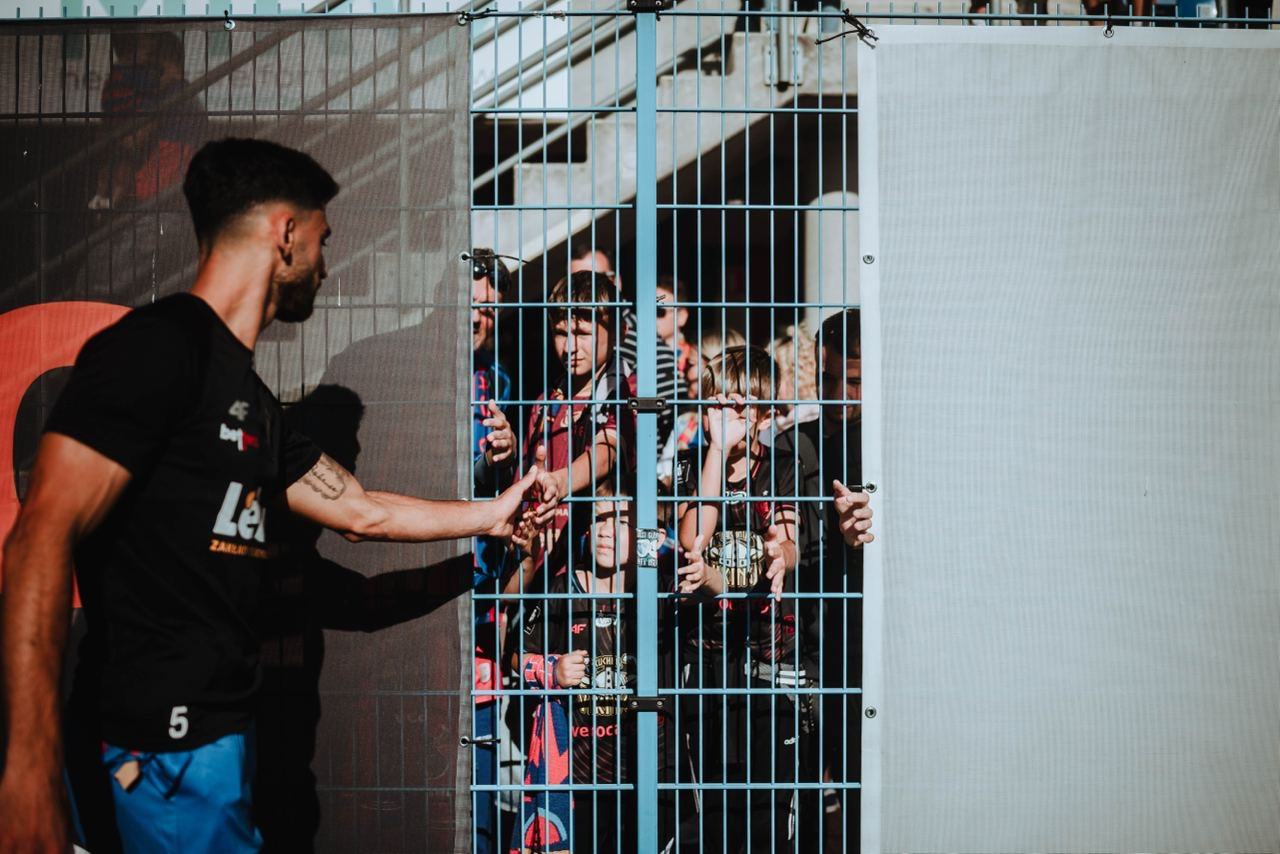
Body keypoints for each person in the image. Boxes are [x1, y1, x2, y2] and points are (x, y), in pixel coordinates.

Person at [0, 137, 557, 854]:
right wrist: (27, 770)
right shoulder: (155, 349)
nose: (326, 267)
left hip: (220, 744)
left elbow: (361, 511)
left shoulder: (252, 399)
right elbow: (39, 538)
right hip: (153, 751)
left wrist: (496, 511)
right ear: (286, 234)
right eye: (323, 241)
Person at [672, 345, 802, 851]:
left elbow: (788, 542)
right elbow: (694, 539)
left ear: (764, 416)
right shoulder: (689, 463)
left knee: (767, 812)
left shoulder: (783, 465)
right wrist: (713, 452)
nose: (724, 414)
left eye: (738, 405)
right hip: (705, 654)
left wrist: (780, 554)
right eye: (715, 403)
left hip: (766, 654)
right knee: (712, 813)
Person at [509, 482, 668, 854]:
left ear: (650, 535)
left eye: (621, 521)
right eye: (599, 519)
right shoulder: (560, 591)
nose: (606, 531)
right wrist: (552, 670)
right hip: (580, 776)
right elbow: (515, 657)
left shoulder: (660, 592)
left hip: (648, 771)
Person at [520, 270, 635, 572]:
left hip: (599, 569)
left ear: (619, 333)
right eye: (561, 333)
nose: (570, 347)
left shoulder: (627, 390)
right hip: (541, 564)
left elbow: (609, 449)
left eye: (583, 334)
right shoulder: (545, 403)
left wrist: (560, 482)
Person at [470, 248, 518, 854]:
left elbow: (489, 482)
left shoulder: (502, 381)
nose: (478, 318)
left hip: (482, 590)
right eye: (471, 304)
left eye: (489, 309)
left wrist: (501, 460)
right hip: (419, 578)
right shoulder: (415, 370)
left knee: (481, 744)